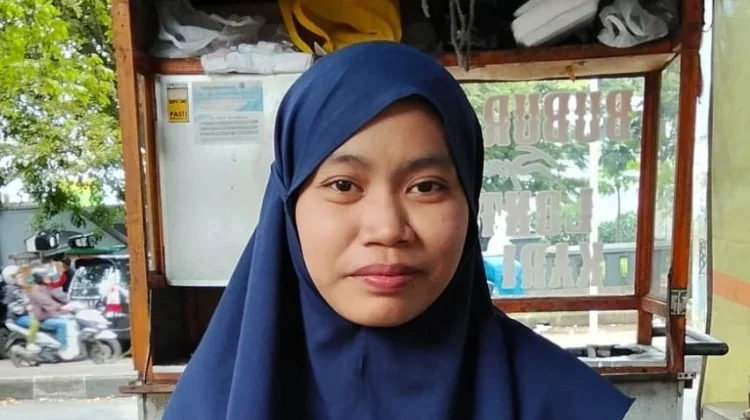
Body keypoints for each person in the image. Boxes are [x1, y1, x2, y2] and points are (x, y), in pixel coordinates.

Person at [163, 42, 634, 419]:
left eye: (426, 186)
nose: (388, 228)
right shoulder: (213, 405)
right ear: (288, 207)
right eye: (343, 185)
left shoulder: (558, 402)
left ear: (469, 201)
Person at [27, 268, 71, 352]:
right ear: (39, 278)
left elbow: (59, 296)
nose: (48, 278)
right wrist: (60, 307)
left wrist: (71, 302)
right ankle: (63, 349)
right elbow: (46, 302)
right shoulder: (34, 289)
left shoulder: (47, 287)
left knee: (72, 318)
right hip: (42, 318)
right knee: (63, 324)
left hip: (51, 314)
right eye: (45, 276)